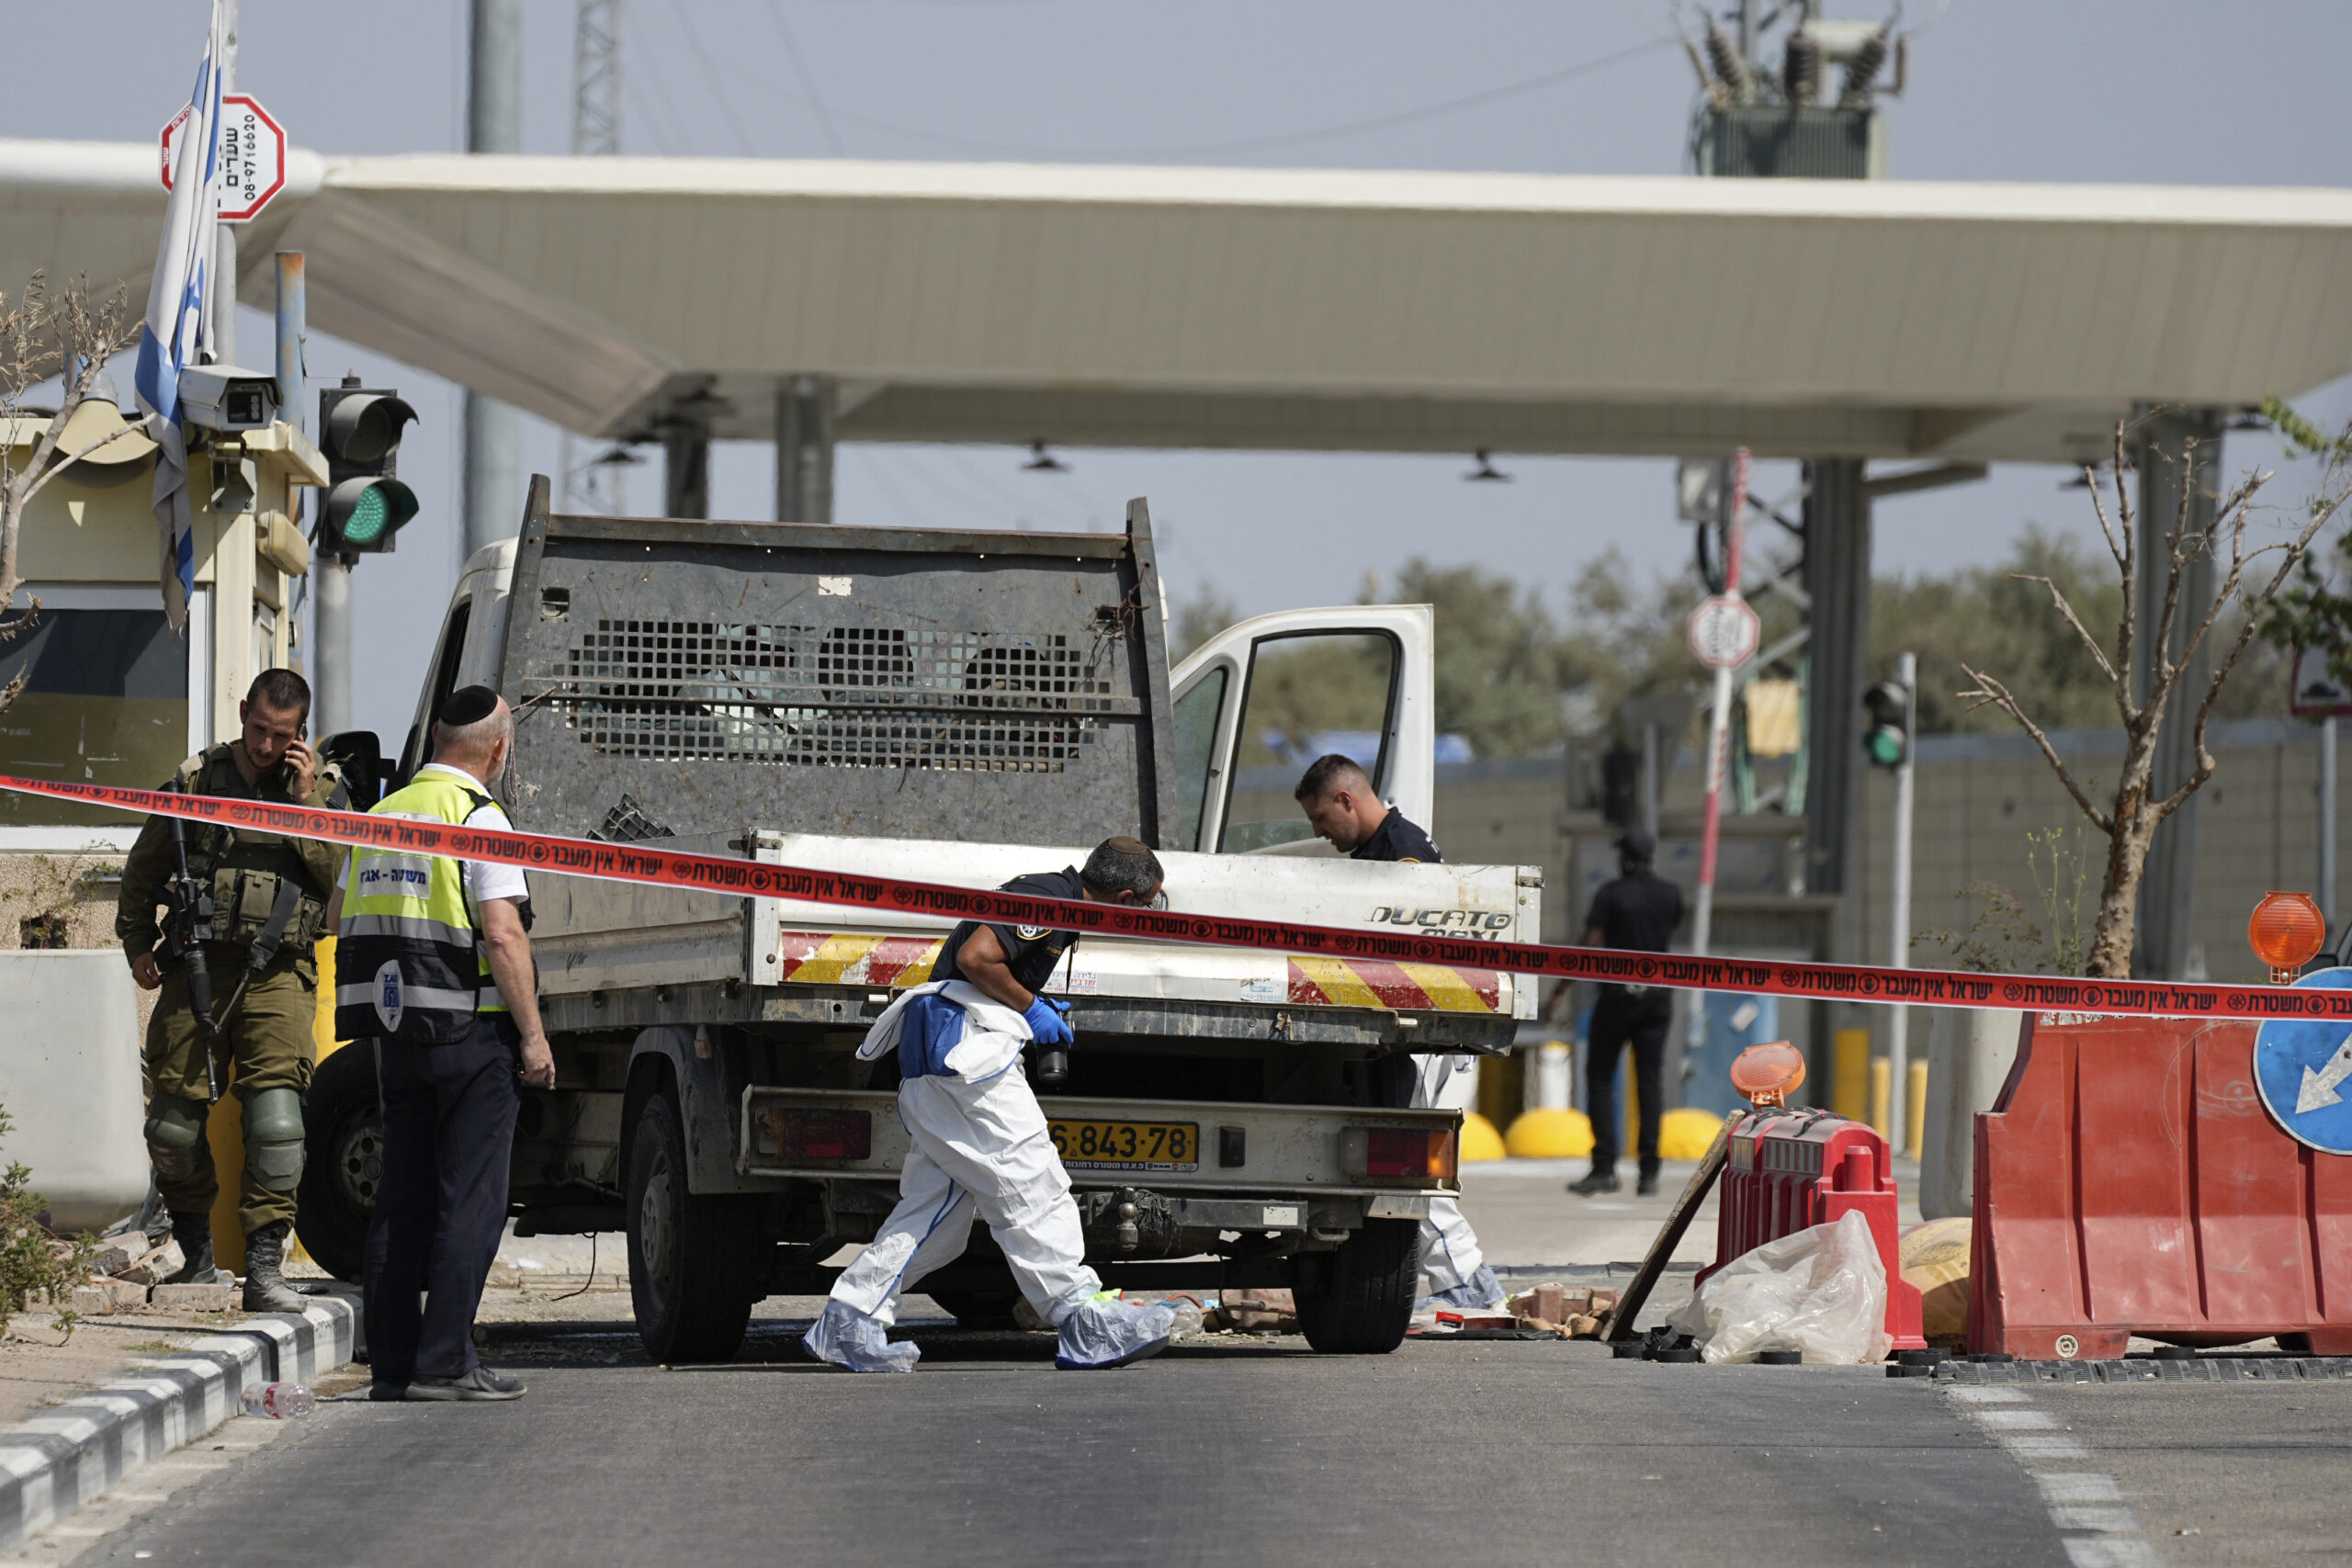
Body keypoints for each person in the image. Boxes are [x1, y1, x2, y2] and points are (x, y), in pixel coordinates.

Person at [805, 836, 1182, 1373]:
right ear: (1123, 896)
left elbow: (985, 964)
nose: (1143, 915)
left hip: (944, 1059)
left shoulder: (1054, 897)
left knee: (937, 1212)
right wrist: (1031, 1007)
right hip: (967, 1061)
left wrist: (1026, 1000)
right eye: (1144, 906)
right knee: (1031, 1179)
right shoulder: (1050, 899)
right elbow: (976, 957)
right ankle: (1081, 1319)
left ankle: (850, 1318)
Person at [334, 686, 555, 1402]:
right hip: (471, 1031)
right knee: (471, 1202)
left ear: (434, 736)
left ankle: (394, 1364)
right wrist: (533, 1036)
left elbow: (342, 911)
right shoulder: (479, 817)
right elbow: (502, 932)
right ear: (498, 747)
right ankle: (445, 1362)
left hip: (397, 1033)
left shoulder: (383, 814)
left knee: (402, 1196)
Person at [117, 669, 347, 1313]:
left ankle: (266, 1267)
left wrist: (304, 802)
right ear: (243, 712)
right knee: (170, 1127)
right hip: (198, 967)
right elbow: (143, 869)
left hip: (280, 974)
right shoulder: (196, 780)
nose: (266, 746)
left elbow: (341, 882)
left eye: (282, 736)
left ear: (301, 733)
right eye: (257, 730)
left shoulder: (323, 790)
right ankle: (196, 1254)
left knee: (276, 1125)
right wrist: (138, 944)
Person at [1294, 754, 1505, 1316]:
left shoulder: (1401, 853)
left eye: (1320, 817)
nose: (1318, 832)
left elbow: (1413, 955)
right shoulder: (1380, 848)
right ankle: (1466, 1282)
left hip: (1422, 1035)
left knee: (1410, 1169)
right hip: (1405, 1032)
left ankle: (1470, 1286)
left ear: (1346, 800)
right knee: (1402, 1167)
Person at [1570, 827, 1686, 1198]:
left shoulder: (1611, 894)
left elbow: (1591, 941)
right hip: (1657, 998)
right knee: (1649, 1081)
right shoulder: (1670, 895)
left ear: (1624, 858)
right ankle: (1649, 1172)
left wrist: (1560, 989)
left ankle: (1605, 1167)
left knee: (1601, 1078)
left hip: (1617, 995)